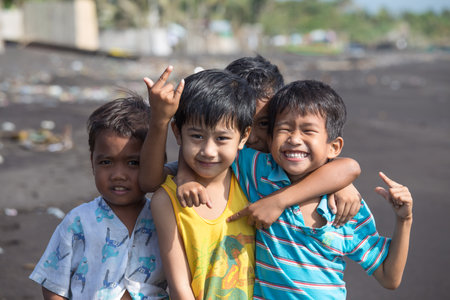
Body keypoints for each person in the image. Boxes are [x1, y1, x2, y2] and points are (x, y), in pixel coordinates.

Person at [229, 80, 413, 299]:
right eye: (284, 129)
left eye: (308, 131)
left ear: (333, 147)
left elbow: (389, 277)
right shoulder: (258, 172)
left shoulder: (347, 208)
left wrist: (405, 220)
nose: (294, 139)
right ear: (270, 139)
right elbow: (212, 151)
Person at [140, 61, 361, 230]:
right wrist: (185, 175)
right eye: (243, 125)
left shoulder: (286, 164)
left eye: (264, 124)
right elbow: (151, 180)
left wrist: (341, 185)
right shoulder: (218, 159)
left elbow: (348, 168)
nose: (252, 138)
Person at [29, 94, 168, 299]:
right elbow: (53, 282)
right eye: (106, 162)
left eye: (133, 163)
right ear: (92, 161)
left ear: (155, 161)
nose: (118, 175)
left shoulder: (164, 219)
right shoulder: (79, 221)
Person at [149, 69, 257, 299]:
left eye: (221, 138)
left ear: (244, 137)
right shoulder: (167, 200)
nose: (208, 151)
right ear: (178, 133)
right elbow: (180, 287)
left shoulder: (252, 182)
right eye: (197, 136)